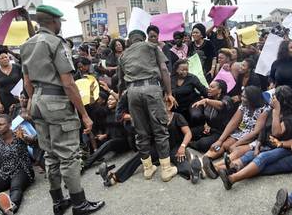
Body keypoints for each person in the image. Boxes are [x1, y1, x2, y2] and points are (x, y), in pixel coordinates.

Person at [20, 5, 105, 215]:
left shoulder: (27, 45)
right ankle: (79, 204)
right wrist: (84, 115)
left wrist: (33, 101)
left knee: (50, 155)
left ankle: (58, 201)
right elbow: (68, 83)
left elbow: (27, 81)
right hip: (57, 100)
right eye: (59, 22)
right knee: (68, 155)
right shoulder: (56, 43)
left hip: (37, 99)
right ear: (54, 21)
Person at [117, 29, 178, 182]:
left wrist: (121, 99)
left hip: (131, 92)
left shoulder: (123, 55)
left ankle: (148, 168)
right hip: (151, 88)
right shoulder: (151, 46)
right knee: (160, 130)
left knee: (141, 131)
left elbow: (120, 83)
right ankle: (166, 169)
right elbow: (164, 69)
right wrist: (169, 92)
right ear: (143, 38)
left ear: (130, 41)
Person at [217, 86, 292, 190]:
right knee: (250, 154)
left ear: (280, 101)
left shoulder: (290, 117)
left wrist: (276, 111)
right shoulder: (271, 111)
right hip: (268, 145)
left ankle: (232, 179)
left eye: (274, 97)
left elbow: (276, 132)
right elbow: (263, 130)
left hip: (284, 147)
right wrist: (257, 146)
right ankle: (228, 168)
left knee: (262, 157)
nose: (271, 99)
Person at [98, 99, 193, 186]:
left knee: (185, 166)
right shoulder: (153, 120)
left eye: (162, 105)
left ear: (169, 106)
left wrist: (183, 146)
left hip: (175, 148)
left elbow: (188, 133)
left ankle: (194, 168)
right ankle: (114, 177)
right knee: (140, 156)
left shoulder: (177, 116)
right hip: (158, 148)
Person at [201, 86, 267, 179]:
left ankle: (213, 168)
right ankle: (202, 161)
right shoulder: (243, 105)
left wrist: (237, 143)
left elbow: (256, 132)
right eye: (242, 96)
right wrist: (220, 140)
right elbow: (233, 123)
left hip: (256, 138)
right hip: (241, 133)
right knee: (224, 144)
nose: (242, 99)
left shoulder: (264, 110)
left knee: (237, 151)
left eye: (244, 97)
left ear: (252, 99)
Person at [0, 115, 35, 214]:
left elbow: (32, 142)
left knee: (16, 188)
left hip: (22, 170)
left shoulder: (19, 135)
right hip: (4, 171)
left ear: (9, 125)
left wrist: (26, 138)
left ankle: (10, 208)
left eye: (1, 124)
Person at [189, 80, 234, 153]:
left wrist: (206, 101)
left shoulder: (227, 99)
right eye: (209, 86)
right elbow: (206, 116)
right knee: (189, 132)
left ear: (219, 90)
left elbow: (222, 105)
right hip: (209, 128)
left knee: (203, 143)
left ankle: (191, 144)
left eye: (212, 87)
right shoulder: (210, 98)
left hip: (220, 132)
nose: (208, 88)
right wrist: (206, 125)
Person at [0, 50, 22, 115]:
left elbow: (25, 81)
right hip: (4, 100)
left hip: (18, 98)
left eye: (6, 57)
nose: (5, 59)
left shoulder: (17, 67)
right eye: (2, 58)